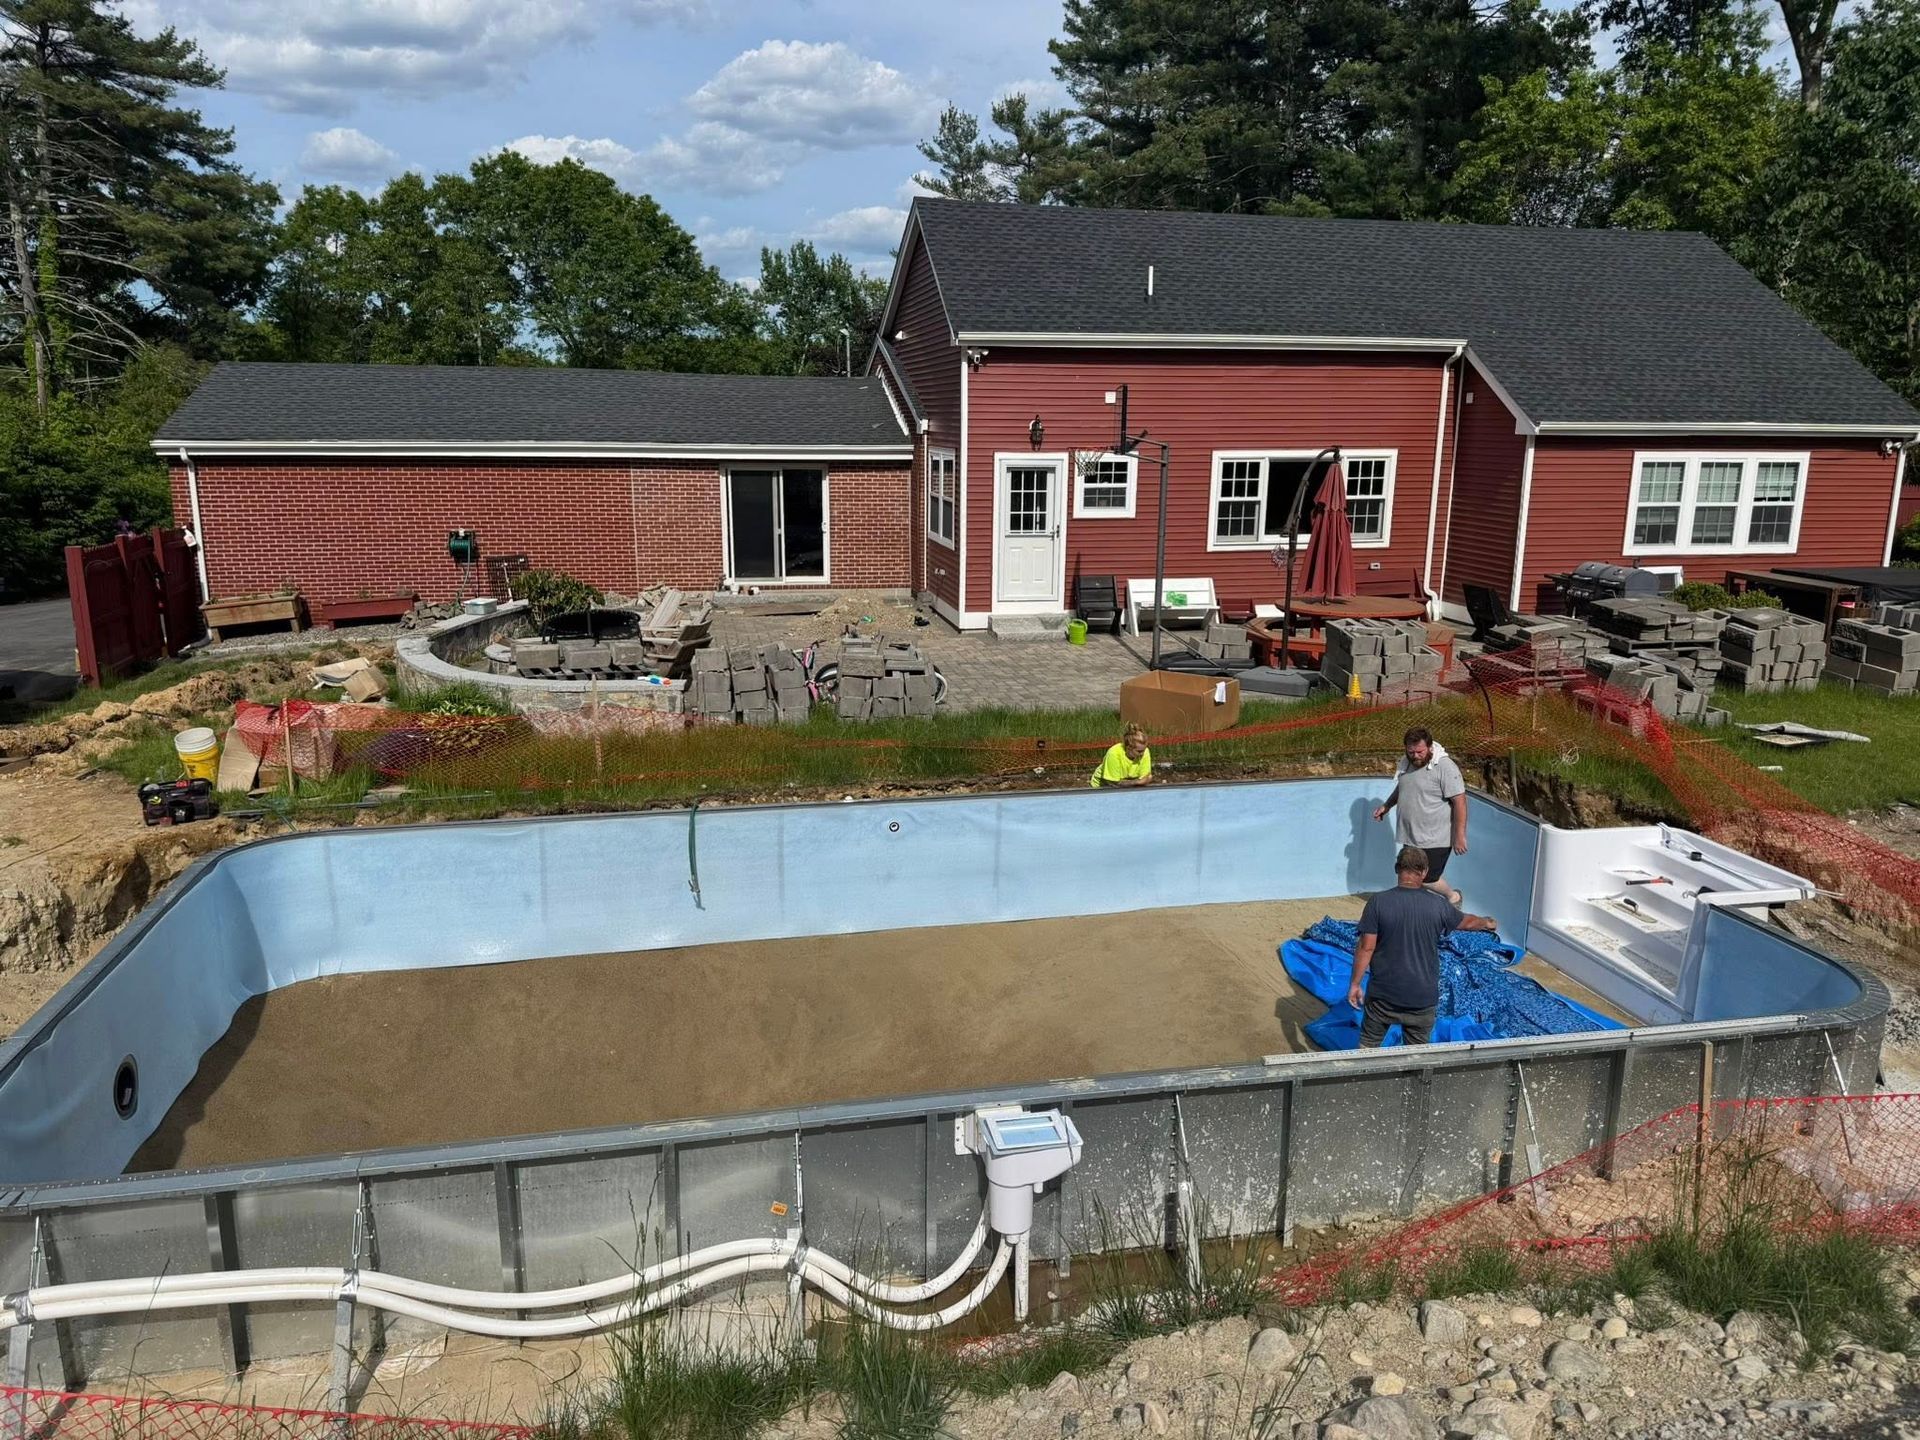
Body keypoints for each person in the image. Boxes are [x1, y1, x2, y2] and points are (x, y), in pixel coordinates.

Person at [1347, 846, 1499, 1047]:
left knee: (1367, 1049)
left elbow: (1366, 947)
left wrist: (1355, 985)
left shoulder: (1378, 902)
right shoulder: (1438, 905)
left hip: (1383, 997)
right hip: (1422, 1000)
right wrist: (1487, 923)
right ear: (1425, 872)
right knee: (1417, 1059)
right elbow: (1468, 922)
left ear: (1396, 868)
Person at [1371, 725, 1467, 904]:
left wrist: (1459, 836)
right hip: (1410, 835)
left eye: (1420, 752)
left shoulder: (1444, 767)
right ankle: (1417, 906)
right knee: (1409, 874)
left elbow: (1459, 801)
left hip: (1435, 838)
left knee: (1428, 878)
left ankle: (1453, 897)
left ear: (1430, 747)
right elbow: (1403, 787)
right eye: (1411, 751)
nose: (1415, 756)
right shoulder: (1406, 763)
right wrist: (1387, 806)